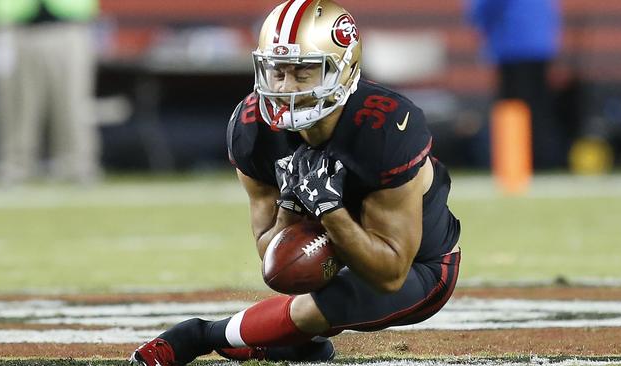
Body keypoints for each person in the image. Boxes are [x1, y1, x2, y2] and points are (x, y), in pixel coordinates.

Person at [129, 1, 461, 364]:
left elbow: (390, 274)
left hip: (420, 267)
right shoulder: (252, 127)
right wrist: (290, 205)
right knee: (297, 287)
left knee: (308, 309)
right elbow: (275, 263)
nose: (286, 87)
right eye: (277, 71)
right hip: (338, 251)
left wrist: (330, 209)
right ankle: (302, 344)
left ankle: (200, 335)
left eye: (303, 73)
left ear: (343, 70)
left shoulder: (385, 127)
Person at [0, 0, 100, 185]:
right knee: (17, 106)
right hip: (16, 27)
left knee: (71, 104)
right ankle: (15, 166)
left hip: (68, 25)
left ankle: (77, 166)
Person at [467, 0, 566, 168]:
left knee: (514, 107)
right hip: (539, 43)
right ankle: (545, 158)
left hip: (513, 44)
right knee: (537, 106)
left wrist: (481, 24)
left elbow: (485, 7)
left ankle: (518, 161)